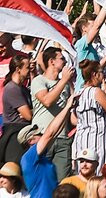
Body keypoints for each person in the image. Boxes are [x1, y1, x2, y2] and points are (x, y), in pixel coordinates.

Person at [32, 46, 75, 180]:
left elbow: (70, 112)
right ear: (51, 61)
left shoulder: (66, 85)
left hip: (62, 137)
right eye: (61, 59)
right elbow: (47, 100)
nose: (65, 62)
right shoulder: (39, 80)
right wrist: (63, 81)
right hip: (43, 135)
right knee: (43, 179)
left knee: (62, 181)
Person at [73, 59, 106, 168]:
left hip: (82, 139)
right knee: (100, 174)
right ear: (95, 74)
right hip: (98, 140)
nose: (103, 75)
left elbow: (73, 119)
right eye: (101, 72)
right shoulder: (96, 92)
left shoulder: (78, 93)